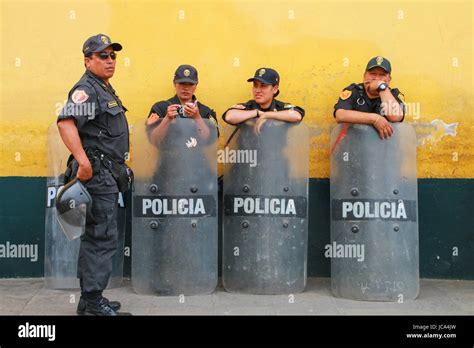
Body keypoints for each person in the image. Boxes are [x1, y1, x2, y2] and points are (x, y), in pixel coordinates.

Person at [57, 34, 129, 315]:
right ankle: (92, 302)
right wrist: (83, 162)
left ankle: (91, 299)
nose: (110, 60)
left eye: (113, 56)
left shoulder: (104, 88)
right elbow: (66, 123)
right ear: (88, 60)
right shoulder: (86, 89)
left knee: (100, 235)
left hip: (107, 174)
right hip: (97, 175)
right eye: (103, 56)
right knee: (101, 235)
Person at [333, 56, 406, 139]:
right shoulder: (354, 91)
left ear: (389, 79)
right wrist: (375, 119)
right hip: (355, 146)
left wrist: (381, 87)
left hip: (385, 148)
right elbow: (340, 115)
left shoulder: (394, 95)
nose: (377, 78)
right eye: (372, 74)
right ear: (364, 76)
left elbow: (395, 116)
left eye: (382, 75)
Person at [146, 64, 218, 143]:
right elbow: (153, 140)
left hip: (196, 155)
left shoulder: (205, 111)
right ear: (174, 83)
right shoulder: (160, 108)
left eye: (190, 84)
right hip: (169, 155)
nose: (186, 88)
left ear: (196, 85)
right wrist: (167, 119)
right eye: (181, 83)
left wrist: (197, 118)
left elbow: (211, 140)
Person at [222, 67, 304, 130]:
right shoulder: (249, 107)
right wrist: (257, 113)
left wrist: (267, 115)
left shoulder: (280, 107)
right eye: (255, 85)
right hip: (248, 152)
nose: (257, 90)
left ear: (275, 89)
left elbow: (297, 116)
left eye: (263, 86)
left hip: (274, 152)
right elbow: (229, 117)